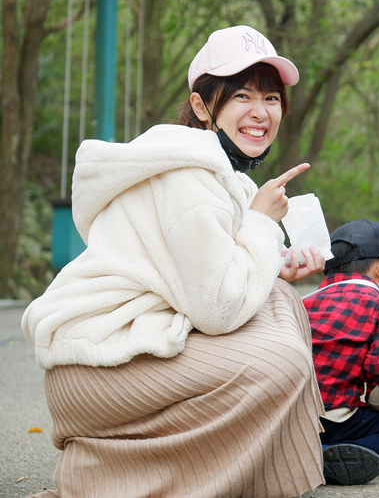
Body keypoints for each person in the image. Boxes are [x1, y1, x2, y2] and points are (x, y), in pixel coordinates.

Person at [21, 25, 328, 498]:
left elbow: (210, 273)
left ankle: (295, 448)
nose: (259, 112)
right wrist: (263, 226)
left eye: (271, 98)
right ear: (203, 106)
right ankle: (107, 476)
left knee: (282, 302)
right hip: (96, 370)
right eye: (241, 95)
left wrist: (276, 262)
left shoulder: (220, 175)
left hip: (129, 356)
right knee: (279, 362)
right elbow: (218, 309)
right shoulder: (187, 177)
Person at [302, 219, 379, 486]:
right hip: (334, 420)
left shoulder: (300, 304)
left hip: (288, 420)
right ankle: (321, 458)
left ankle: (291, 453)